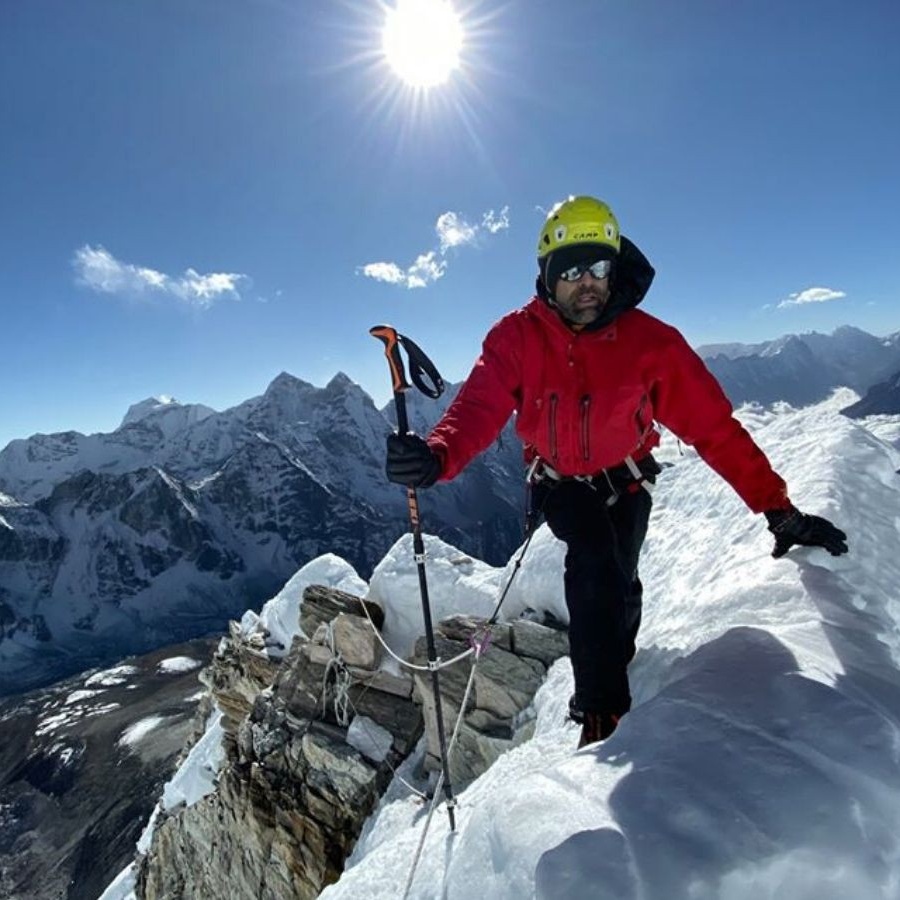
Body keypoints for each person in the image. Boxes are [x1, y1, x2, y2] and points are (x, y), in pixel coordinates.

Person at [384, 195, 848, 748]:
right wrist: (436, 455)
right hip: (558, 485)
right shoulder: (517, 337)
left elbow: (715, 430)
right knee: (595, 567)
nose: (589, 282)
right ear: (547, 278)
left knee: (622, 581)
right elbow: (478, 408)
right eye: (572, 269)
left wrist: (778, 509)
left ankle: (615, 659)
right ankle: (600, 714)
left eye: (600, 267)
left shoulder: (654, 345)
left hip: (628, 479)